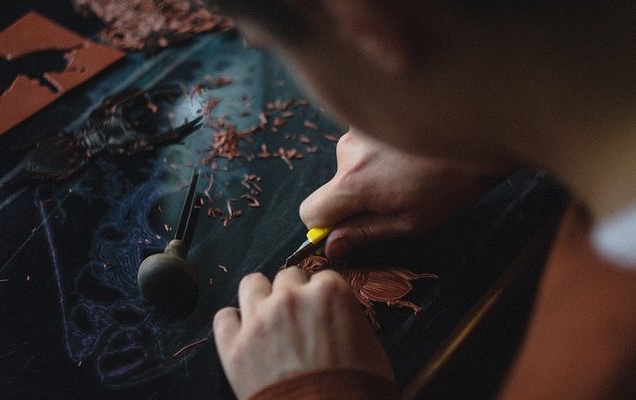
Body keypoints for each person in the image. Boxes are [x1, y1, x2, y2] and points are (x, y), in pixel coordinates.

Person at [208, 1, 636, 399]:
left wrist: (320, 389)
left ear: (363, 30)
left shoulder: (596, 363)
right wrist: (490, 129)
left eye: (276, 51)